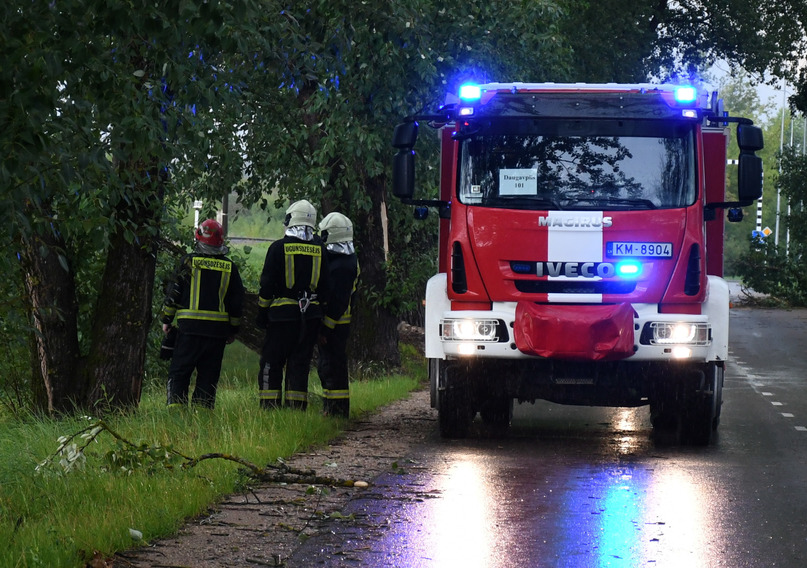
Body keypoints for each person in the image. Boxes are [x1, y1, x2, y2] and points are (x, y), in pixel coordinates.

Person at [161, 219, 244, 409]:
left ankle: (176, 414)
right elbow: (236, 303)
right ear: (220, 241)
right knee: (208, 376)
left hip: (188, 330)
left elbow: (173, 294)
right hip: (216, 333)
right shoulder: (229, 267)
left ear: (198, 238)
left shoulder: (187, 262)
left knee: (179, 373)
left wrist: (166, 320)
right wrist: (233, 330)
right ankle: (203, 415)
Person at [256, 199, 329, 410]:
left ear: (290, 219)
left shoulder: (277, 248)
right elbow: (326, 287)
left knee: (271, 361)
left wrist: (262, 315)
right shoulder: (321, 249)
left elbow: (267, 286)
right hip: (311, 317)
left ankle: (269, 407)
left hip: (282, 318)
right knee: (300, 363)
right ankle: (296, 408)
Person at [316, 212, 360, 418]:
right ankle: (331, 408)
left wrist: (326, 328)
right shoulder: (345, 259)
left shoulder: (343, 266)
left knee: (333, 367)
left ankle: (337, 412)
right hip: (336, 323)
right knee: (328, 366)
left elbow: (339, 302)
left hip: (336, 324)